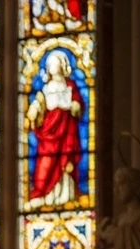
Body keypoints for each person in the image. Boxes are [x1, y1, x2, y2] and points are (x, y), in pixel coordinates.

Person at [25, 49, 84, 208]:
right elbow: (39, 103)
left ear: (62, 65)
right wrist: (33, 110)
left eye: (55, 63)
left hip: (66, 132)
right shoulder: (45, 88)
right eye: (50, 64)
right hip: (48, 133)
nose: (52, 66)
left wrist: (75, 106)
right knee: (45, 163)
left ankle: (64, 196)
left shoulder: (70, 86)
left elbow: (78, 104)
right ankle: (44, 194)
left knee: (65, 162)